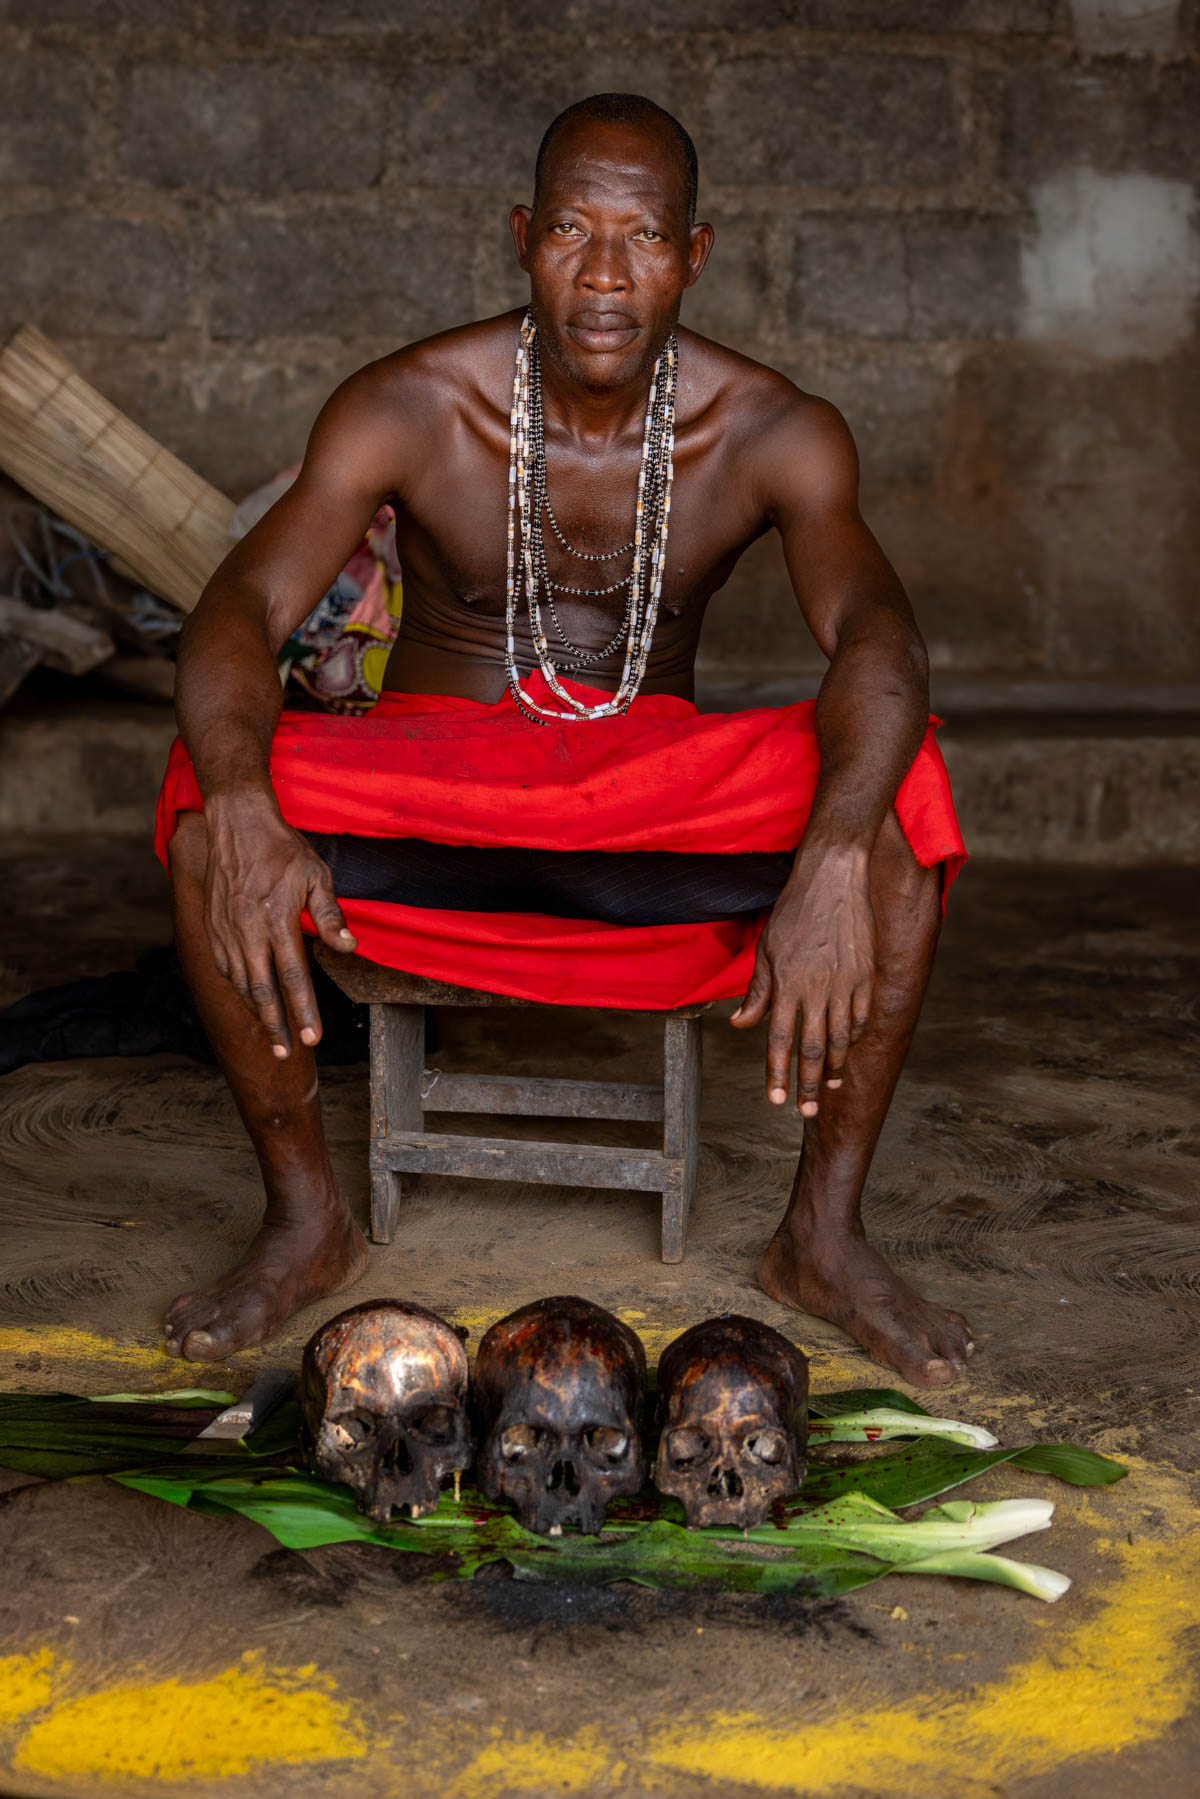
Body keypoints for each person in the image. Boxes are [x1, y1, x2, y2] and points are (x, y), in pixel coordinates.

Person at [159, 93, 970, 1387]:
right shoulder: (414, 403)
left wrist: (827, 858)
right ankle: (306, 1220)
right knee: (207, 811)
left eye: (643, 236)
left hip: (645, 796)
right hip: (439, 784)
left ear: (695, 255)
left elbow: (879, 630)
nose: (604, 273)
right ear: (523, 237)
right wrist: (256, 809)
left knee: (899, 802)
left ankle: (822, 1233)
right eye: (573, 233)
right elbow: (235, 612)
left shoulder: (772, 431)